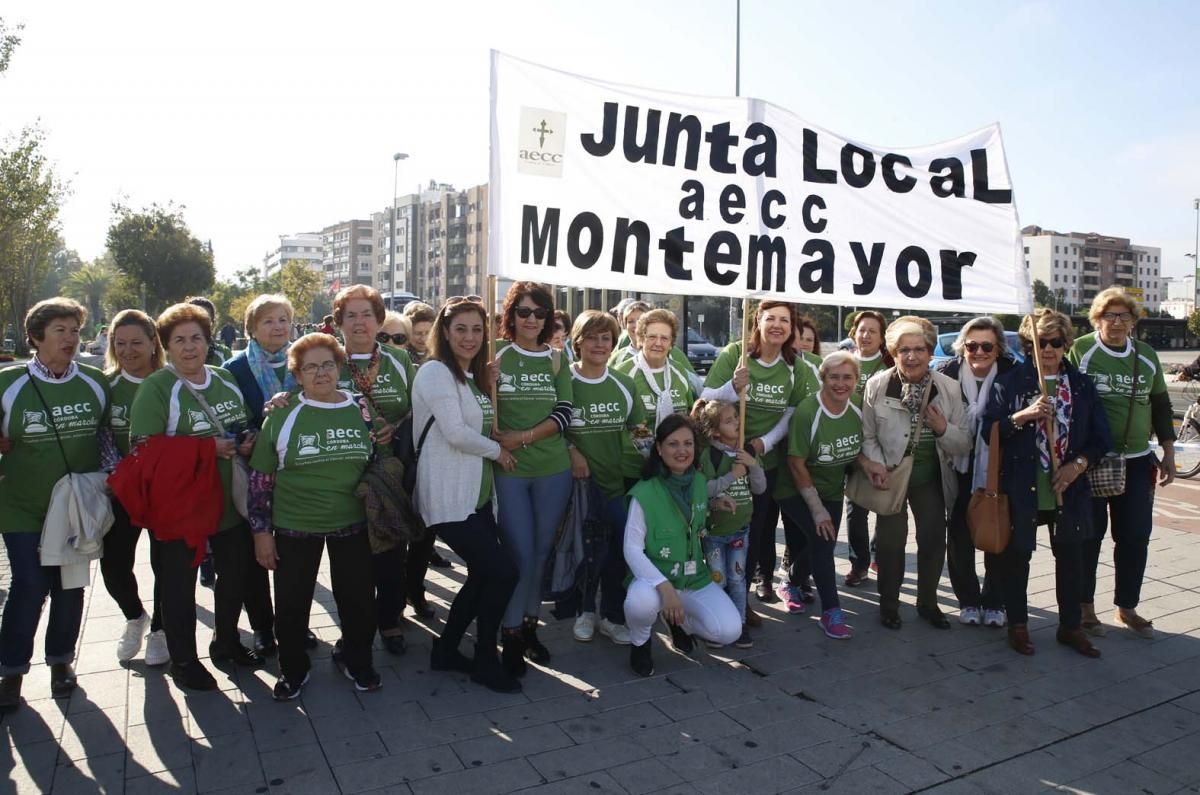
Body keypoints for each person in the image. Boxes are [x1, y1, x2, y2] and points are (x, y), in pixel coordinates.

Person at [129, 302, 260, 691]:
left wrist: (246, 441)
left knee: (235, 573)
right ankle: (184, 661)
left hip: (228, 498)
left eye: (197, 338)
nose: (189, 348)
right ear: (165, 346)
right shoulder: (157, 387)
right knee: (179, 585)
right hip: (180, 505)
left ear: (209, 340)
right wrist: (206, 449)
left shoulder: (223, 378)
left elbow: (240, 424)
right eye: (179, 340)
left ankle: (227, 641)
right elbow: (142, 450)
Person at [249, 333, 384, 697]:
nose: (321, 373)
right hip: (296, 525)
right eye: (310, 367)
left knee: (358, 601)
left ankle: (357, 660)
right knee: (291, 605)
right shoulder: (281, 414)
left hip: (353, 523)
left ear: (339, 368)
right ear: (297, 375)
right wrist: (261, 533)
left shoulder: (359, 407)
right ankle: (293, 669)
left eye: (327, 364)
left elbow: (376, 454)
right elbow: (260, 479)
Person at [983, 309, 1112, 658]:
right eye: (1041, 343)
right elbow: (988, 431)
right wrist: (1021, 417)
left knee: (1072, 558)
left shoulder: (1081, 385)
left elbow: (1101, 438)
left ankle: (1070, 627)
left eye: (1056, 342)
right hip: (1023, 485)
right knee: (1017, 557)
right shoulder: (1011, 382)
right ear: (1029, 346)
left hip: (1067, 487)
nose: (1050, 349)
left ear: (1066, 344)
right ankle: (1019, 625)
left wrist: (1077, 466)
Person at [0, 298, 108, 709]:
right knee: (28, 585)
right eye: (60, 331)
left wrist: (109, 481)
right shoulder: (8, 382)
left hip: (75, 509)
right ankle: (11, 671)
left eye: (75, 331)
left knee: (69, 587)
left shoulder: (96, 382)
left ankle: (61, 661)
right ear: (36, 337)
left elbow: (107, 439)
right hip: (22, 506)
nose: (70, 339)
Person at [412, 296, 521, 693]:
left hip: (475, 496)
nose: (470, 337)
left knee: (482, 575)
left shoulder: (466, 376)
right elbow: (456, 433)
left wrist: (485, 385)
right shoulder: (435, 373)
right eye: (461, 329)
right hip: (447, 497)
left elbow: (476, 423)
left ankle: (446, 652)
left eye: (477, 329)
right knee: (503, 572)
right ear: (444, 331)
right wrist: (499, 452)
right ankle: (485, 660)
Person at [1068, 287, 1175, 639]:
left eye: (1124, 316)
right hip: (1093, 461)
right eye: (1109, 316)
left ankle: (1126, 607)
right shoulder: (1082, 350)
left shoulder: (1145, 356)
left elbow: (1160, 406)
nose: (1116, 322)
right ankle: (1085, 606)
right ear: (1097, 319)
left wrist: (1169, 452)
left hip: (1137, 461)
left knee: (1134, 537)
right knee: (1090, 536)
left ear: (1133, 321)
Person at [704, 301, 816, 617]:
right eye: (771, 318)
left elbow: (791, 415)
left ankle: (745, 598)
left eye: (785, 319)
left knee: (758, 530)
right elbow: (706, 399)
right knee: (728, 526)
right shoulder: (735, 354)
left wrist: (762, 445)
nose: (777, 325)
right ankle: (719, 596)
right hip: (727, 460)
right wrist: (731, 387)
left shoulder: (798, 366)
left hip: (766, 462)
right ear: (758, 320)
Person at [859, 319, 970, 630]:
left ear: (930, 351)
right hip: (890, 475)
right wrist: (878, 465)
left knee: (934, 540)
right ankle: (889, 605)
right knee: (890, 543)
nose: (912, 357)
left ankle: (928, 603)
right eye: (903, 350)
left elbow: (963, 441)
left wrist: (942, 429)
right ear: (893, 353)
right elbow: (868, 435)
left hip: (930, 477)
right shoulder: (877, 385)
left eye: (919, 349)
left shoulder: (948, 387)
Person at [492, 281, 574, 676]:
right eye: (523, 311)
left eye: (539, 313)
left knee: (540, 553)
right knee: (518, 552)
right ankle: (508, 632)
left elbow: (564, 415)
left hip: (552, 469)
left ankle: (528, 626)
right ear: (511, 315)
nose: (531, 319)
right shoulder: (495, 356)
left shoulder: (557, 360)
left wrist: (522, 437)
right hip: (509, 469)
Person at [623, 415, 742, 677]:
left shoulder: (698, 482)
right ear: (659, 448)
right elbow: (631, 549)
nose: (682, 451)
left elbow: (689, 517)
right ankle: (640, 643)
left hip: (692, 576)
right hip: (655, 579)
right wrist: (664, 588)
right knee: (640, 603)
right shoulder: (644, 492)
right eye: (673, 444)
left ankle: (678, 623)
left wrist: (712, 505)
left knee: (729, 631)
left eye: (688, 443)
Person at [333, 285, 416, 655]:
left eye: (366, 314)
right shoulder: (328, 360)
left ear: (379, 319)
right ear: (339, 323)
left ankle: (390, 620)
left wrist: (396, 428)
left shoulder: (400, 360)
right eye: (350, 315)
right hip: (344, 476)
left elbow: (421, 407)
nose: (359, 322)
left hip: (391, 470)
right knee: (352, 559)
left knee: (391, 550)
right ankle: (356, 624)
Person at [565, 310, 644, 645]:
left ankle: (611, 616)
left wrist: (669, 459)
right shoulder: (564, 380)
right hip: (575, 491)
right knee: (585, 554)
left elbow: (640, 433)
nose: (599, 344)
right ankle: (585, 612)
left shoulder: (624, 384)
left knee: (617, 553)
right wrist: (572, 450)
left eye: (606, 338)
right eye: (592, 337)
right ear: (578, 340)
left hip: (615, 487)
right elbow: (549, 428)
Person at [225, 294, 297, 654]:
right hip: (253, 471)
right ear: (251, 328)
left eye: (283, 319)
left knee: (291, 556)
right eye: (268, 320)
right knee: (254, 555)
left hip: (296, 473)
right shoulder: (233, 369)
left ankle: (291, 625)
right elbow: (225, 418)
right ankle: (263, 628)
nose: (277, 327)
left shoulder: (302, 361)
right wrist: (245, 437)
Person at [934, 317, 1015, 628]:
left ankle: (995, 600)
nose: (978, 351)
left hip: (998, 465)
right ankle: (968, 599)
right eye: (971, 345)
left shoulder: (1012, 374)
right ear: (962, 347)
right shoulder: (947, 374)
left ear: (998, 349)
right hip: (957, 463)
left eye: (986, 346)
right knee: (958, 533)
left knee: (998, 530)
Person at [777, 351, 863, 639]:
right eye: (834, 377)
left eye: (847, 377)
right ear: (823, 378)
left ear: (856, 380)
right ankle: (831, 612)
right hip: (793, 489)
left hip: (831, 490)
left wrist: (870, 465)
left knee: (819, 542)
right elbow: (795, 463)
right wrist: (815, 508)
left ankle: (790, 582)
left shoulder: (857, 408)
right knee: (823, 541)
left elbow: (857, 447)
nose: (841, 383)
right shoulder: (807, 411)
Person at [102, 310, 168, 665]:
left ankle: (160, 630)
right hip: (121, 493)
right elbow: (98, 436)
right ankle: (134, 617)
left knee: (165, 565)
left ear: (153, 342)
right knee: (113, 564)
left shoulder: (171, 382)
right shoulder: (105, 386)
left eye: (136, 342)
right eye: (120, 343)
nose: (128, 350)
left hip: (165, 493)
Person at [692, 399, 764, 649]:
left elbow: (760, 487)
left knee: (737, 579)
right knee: (718, 579)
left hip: (740, 531)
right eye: (729, 420)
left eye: (737, 417)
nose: (736, 423)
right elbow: (705, 489)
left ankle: (739, 624)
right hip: (714, 532)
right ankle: (718, 625)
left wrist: (752, 465)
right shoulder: (709, 454)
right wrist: (732, 475)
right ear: (714, 430)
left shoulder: (746, 451)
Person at [843, 310, 891, 587]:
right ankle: (858, 563)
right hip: (851, 447)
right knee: (856, 507)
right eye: (862, 329)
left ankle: (878, 556)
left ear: (882, 337)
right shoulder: (844, 362)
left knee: (884, 504)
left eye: (873, 330)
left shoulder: (888, 366)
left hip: (882, 446)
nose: (866, 335)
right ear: (854, 333)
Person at [614, 308, 696, 429]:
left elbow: (689, 413)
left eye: (664, 338)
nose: (658, 343)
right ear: (641, 339)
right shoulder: (624, 372)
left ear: (671, 343)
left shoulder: (679, 370)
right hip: (636, 447)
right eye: (652, 337)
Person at [187, 296, 229, 365]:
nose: (199, 325)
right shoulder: (174, 352)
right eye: (193, 319)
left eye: (205, 320)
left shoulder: (223, 354)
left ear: (213, 324)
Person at [402, 302, 436, 366]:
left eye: (428, 333)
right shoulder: (401, 357)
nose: (423, 339)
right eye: (418, 333)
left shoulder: (441, 355)